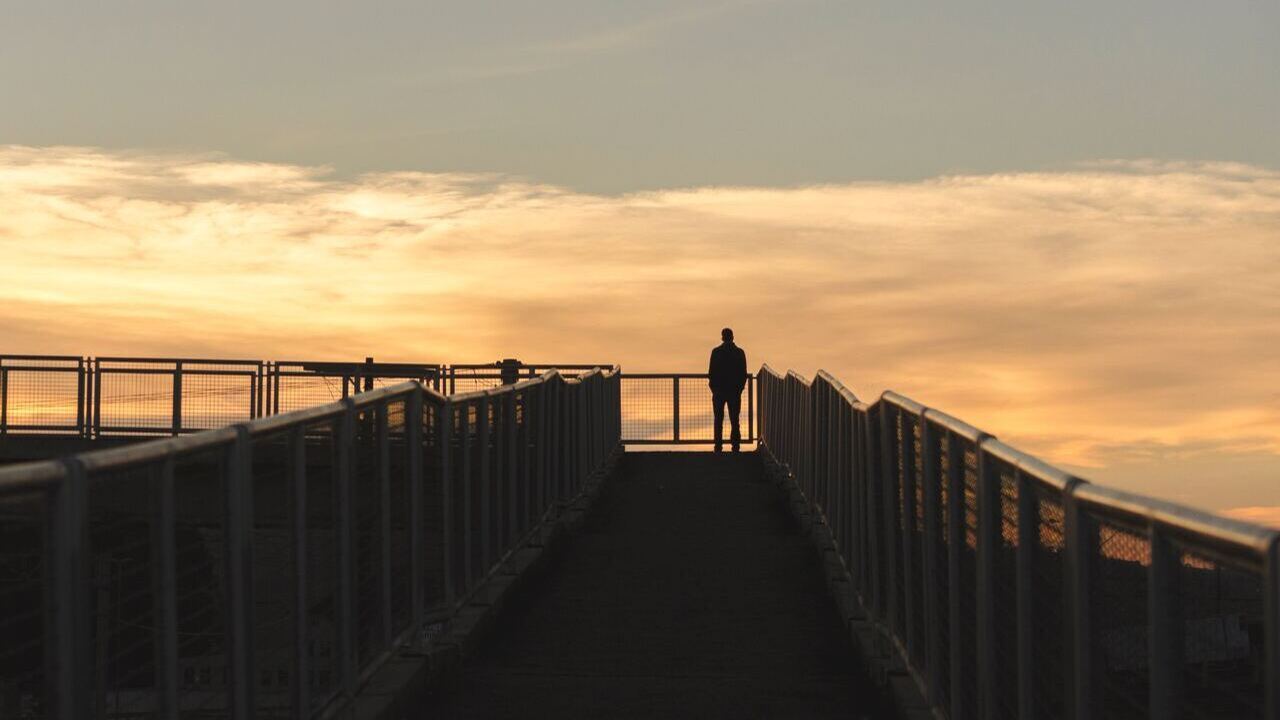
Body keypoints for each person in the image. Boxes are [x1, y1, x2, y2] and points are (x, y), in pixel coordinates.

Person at [708, 327, 747, 453]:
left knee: (718, 419)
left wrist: (714, 388)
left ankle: (718, 446)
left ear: (722, 337)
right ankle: (735, 446)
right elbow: (743, 374)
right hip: (734, 391)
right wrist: (739, 389)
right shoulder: (739, 352)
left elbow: (711, 373)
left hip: (719, 390)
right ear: (733, 337)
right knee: (734, 419)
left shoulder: (716, 352)